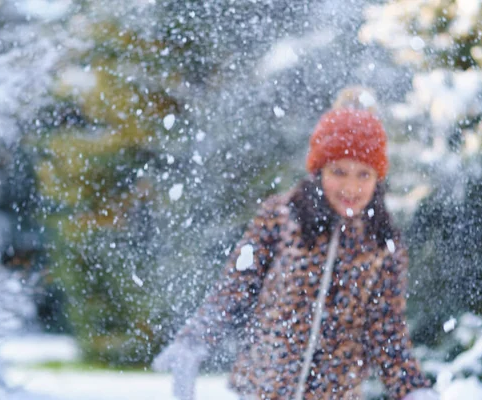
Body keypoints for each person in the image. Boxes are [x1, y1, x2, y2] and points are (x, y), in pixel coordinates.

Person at [153, 87, 439, 400]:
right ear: (319, 171)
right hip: (263, 390)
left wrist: (413, 390)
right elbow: (234, 286)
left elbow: (387, 332)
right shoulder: (281, 215)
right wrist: (195, 340)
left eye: (363, 174)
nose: (350, 186)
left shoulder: (382, 243)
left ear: (378, 178)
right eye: (338, 171)